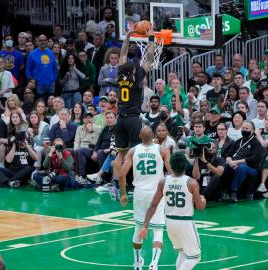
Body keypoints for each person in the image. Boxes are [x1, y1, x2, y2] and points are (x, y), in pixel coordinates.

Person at [138, 152, 206, 270]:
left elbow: (153, 205)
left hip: (169, 222)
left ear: (171, 165)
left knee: (182, 252)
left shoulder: (163, 182)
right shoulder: (191, 183)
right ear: (185, 165)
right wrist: (203, 199)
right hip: (185, 223)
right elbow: (200, 207)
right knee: (195, 257)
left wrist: (145, 225)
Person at [113, 23, 155, 206]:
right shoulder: (138, 77)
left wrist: (128, 35)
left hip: (119, 119)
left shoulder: (121, 73)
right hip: (132, 119)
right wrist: (151, 37)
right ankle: (141, 185)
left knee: (120, 155)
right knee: (137, 154)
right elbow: (151, 57)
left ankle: (117, 187)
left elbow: (122, 54)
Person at [119, 126, 172, 270]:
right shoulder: (162, 150)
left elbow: (122, 174)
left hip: (140, 193)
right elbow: (171, 171)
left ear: (139, 136)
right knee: (158, 230)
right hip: (157, 192)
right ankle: (154, 264)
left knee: (138, 228)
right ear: (154, 135)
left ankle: (137, 263)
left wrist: (123, 193)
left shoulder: (133, 150)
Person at [222, 121, 264, 202]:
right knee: (223, 166)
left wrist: (237, 162)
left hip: (250, 168)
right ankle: (224, 191)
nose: (244, 130)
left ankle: (233, 192)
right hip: (234, 163)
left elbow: (254, 159)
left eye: (246, 128)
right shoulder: (238, 141)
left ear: (252, 131)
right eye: (243, 128)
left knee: (241, 168)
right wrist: (230, 161)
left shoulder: (256, 143)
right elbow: (228, 154)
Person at [26, 34, 58, 101]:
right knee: (40, 104)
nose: (43, 42)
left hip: (51, 84)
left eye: (44, 40)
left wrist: (54, 79)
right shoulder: (32, 54)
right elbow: (28, 69)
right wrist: (31, 80)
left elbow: (55, 68)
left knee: (52, 105)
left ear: (47, 41)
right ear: (38, 42)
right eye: (41, 40)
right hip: (39, 85)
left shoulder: (51, 53)